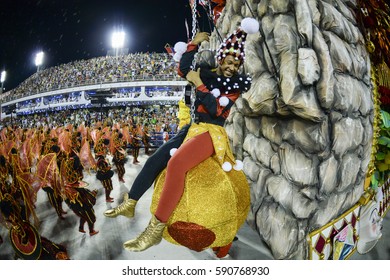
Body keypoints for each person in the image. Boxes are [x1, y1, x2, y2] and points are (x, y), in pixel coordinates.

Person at [120, 18, 257, 253]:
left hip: (212, 132)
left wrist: (199, 85)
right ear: (221, 58)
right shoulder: (206, 73)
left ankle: (154, 230)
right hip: (193, 127)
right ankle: (131, 202)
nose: (232, 67)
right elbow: (183, 70)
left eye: (236, 64)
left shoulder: (235, 85)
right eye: (229, 61)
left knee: (176, 165)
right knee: (156, 159)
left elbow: (216, 110)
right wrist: (192, 45)